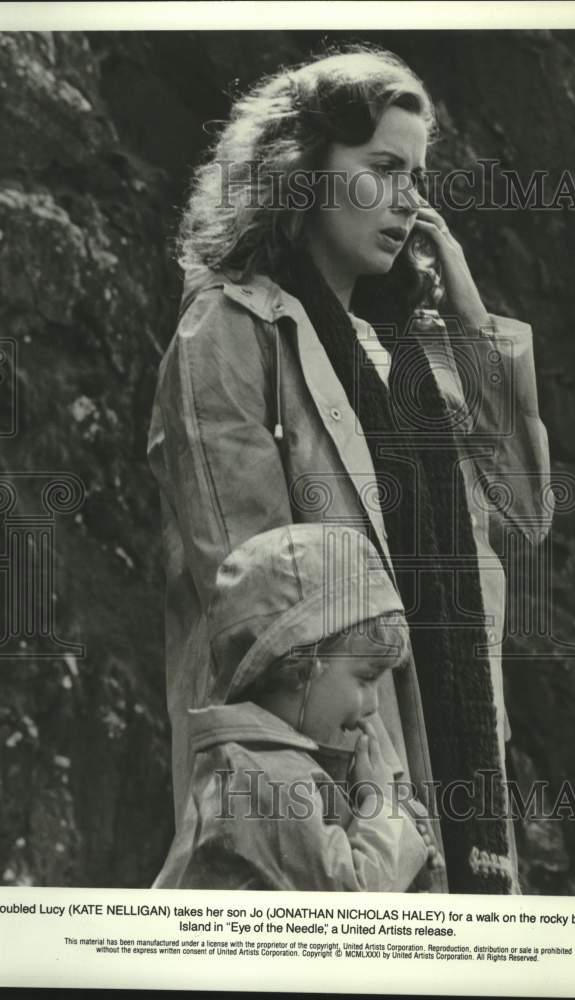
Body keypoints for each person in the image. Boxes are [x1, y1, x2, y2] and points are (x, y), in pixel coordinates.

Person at [148, 45, 553, 893]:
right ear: (302, 171)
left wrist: (472, 318)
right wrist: (377, 792)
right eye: (381, 168)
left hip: (452, 750)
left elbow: (523, 509)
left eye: (416, 175)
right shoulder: (228, 329)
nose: (408, 199)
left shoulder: (420, 351)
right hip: (325, 772)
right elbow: (254, 609)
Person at [153, 523, 443, 892]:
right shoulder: (262, 778)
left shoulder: (271, 765)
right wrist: (382, 806)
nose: (373, 705)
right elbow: (351, 904)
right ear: (302, 668)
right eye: (366, 679)